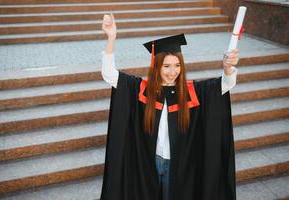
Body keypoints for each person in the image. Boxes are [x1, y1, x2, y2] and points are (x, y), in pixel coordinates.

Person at [100, 13, 239, 200]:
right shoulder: (142, 89)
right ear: (156, 67)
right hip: (148, 162)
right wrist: (111, 39)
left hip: (178, 165)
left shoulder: (192, 91)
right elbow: (109, 75)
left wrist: (228, 68)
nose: (173, 72)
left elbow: (226, 84)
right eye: (166, 66)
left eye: (177, 66)